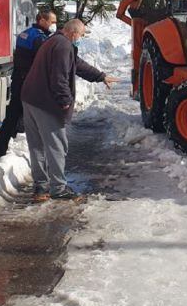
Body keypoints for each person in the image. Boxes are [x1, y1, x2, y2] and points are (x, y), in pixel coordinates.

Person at [21, 19, 118, 201]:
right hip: (45, 102)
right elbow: (60, 77)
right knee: (57, 145)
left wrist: (100, 76)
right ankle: (59, 188)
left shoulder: (55, 40)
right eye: (81, 35)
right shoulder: (63, 46)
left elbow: (77, 65)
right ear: (73, 33)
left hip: (30, 98)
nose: (80, 39)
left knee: (37, 146)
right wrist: (65, 101)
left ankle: (41, 188)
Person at [0, 11, 56, 157]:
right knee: (33, 118)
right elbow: (47, 60)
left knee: (12, 117)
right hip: (30, 84)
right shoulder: (39, 39)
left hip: (19, 81)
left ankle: (0, 151)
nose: (53, 25)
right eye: (52, 22)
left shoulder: (25, 34)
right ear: (42, 20)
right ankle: (27, 151)